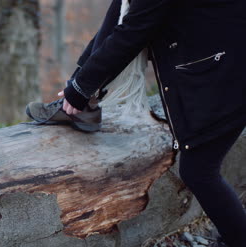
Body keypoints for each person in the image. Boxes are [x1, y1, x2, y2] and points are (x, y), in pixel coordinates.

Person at [26, 0, 246, 246]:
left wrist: (81, 90)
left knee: (199, 171)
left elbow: (135, 29)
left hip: (227, 72)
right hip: (226, 63)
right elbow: (119, 16)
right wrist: (78, 83)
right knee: (201, 169)